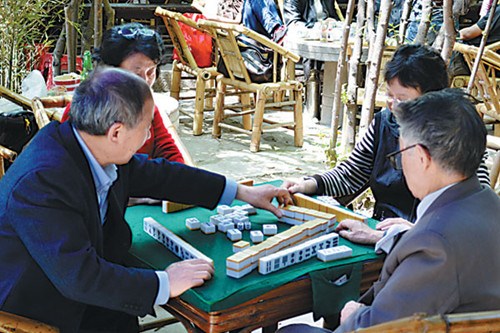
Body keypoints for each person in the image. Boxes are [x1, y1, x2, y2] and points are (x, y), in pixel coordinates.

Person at [0, 68, 292, 333]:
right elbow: (80, 278)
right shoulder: (43, 180)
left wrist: (242, 192)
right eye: (146, 127)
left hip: (85, 294)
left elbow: (161, 175)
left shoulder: (87, 143)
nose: (149, 135)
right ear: (116, 132)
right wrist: (164, 282)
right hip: (41, 309)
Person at [278, 89, 500, 333]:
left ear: (421, 157)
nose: (401, 166)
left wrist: (354, 314)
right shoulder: (489, 202)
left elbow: (377, 328)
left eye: (400, 155)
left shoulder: (434, 243)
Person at [283, 44, 490, 226]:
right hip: (383, 227)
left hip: (433, 235)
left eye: (403, 98)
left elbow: (473, 202)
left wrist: (411, 232)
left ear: (431, 99)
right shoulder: (384, 121)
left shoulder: (459, 133)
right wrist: (310, 184)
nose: (393, 105)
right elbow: (352, 172)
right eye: (390, 95)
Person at [61, 23, 187, 164]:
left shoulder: (146, 106)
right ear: (112, 71)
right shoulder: (83, 109)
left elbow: (168, 150)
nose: (145, 81)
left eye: (151, 72)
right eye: (135, 73)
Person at [449, 4, 500, 77]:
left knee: (450, 45)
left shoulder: (498, 11)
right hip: (492, 60)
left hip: (483, 61)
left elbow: (467, 34)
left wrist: (451, 36)